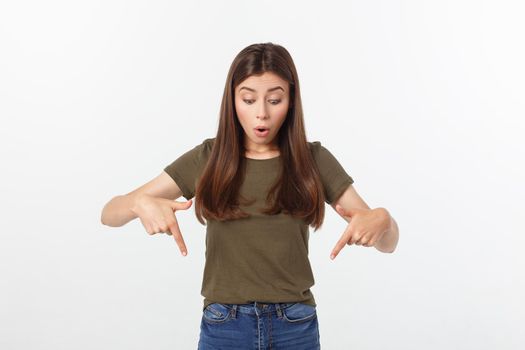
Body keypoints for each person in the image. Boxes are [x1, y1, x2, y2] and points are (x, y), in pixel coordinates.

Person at [101, 42, 399, 350]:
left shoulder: (314, 160)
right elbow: (108, 214)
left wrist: (382, 219)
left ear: (291, 101)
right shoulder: (208, 158)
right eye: (248, 99)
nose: (262, 113)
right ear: (232, 100)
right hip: (225, 326)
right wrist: (138, 203)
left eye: (274, 100)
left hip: (295, 326)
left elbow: (388, 243)